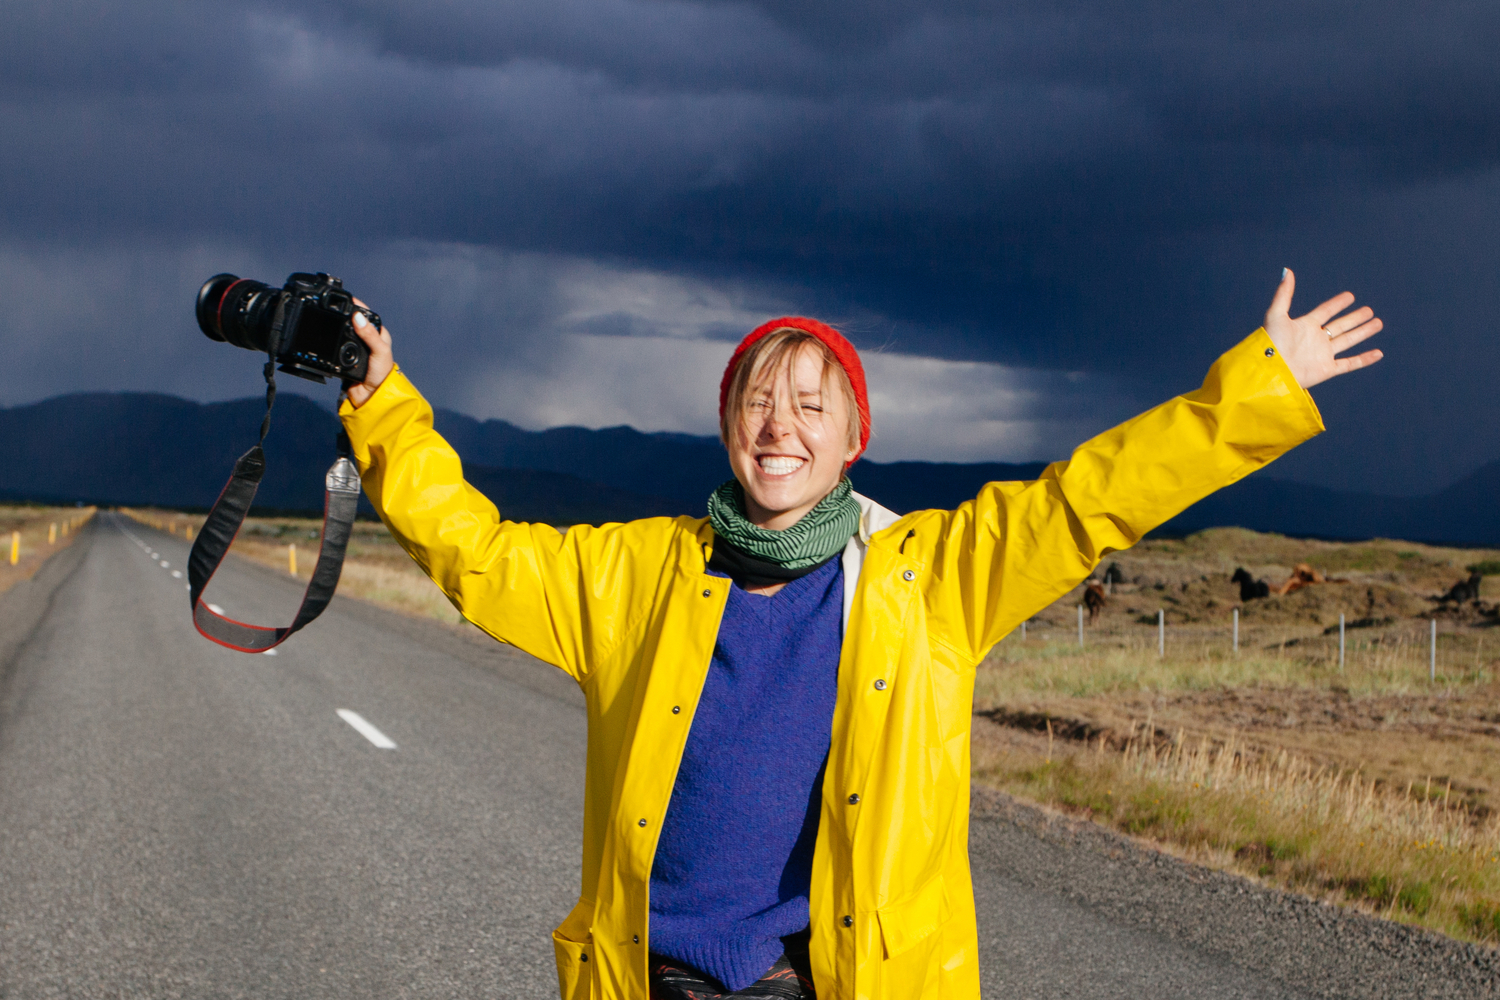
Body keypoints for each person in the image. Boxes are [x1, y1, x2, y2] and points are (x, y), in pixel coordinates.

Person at [338, 269, 1381, 1000]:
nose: (777, 425)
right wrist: (384, 409)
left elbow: (1086, 503)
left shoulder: (930, 581)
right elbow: (480, 555)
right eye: (757, 400)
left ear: (851, 441)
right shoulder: (639, 573)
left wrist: (1259, 388)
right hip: (644, 975)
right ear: (726, 426)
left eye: (808, 405)